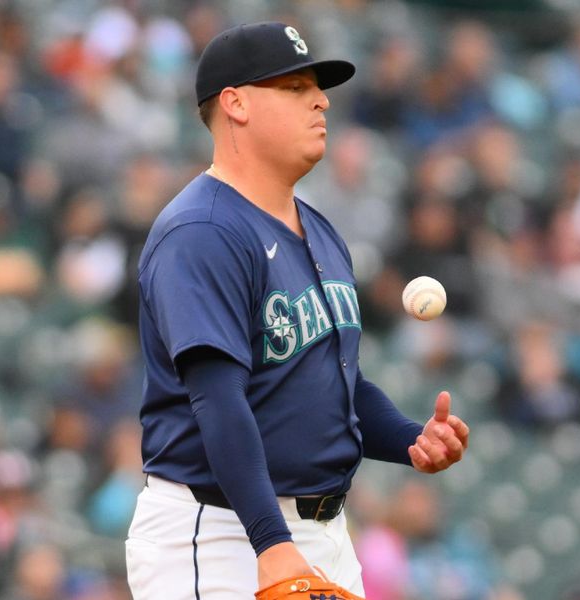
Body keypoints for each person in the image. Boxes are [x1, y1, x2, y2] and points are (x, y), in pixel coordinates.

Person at [125, 21, 470, 598]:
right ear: (235, 104)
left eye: (318, 86)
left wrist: (411, 440)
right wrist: (271, 543)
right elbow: (217, 399)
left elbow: (339, 384)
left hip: (324, 532)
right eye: (293, 88)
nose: (321, 100)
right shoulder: (203, 232)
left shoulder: (319, 229)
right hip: (222, 536)